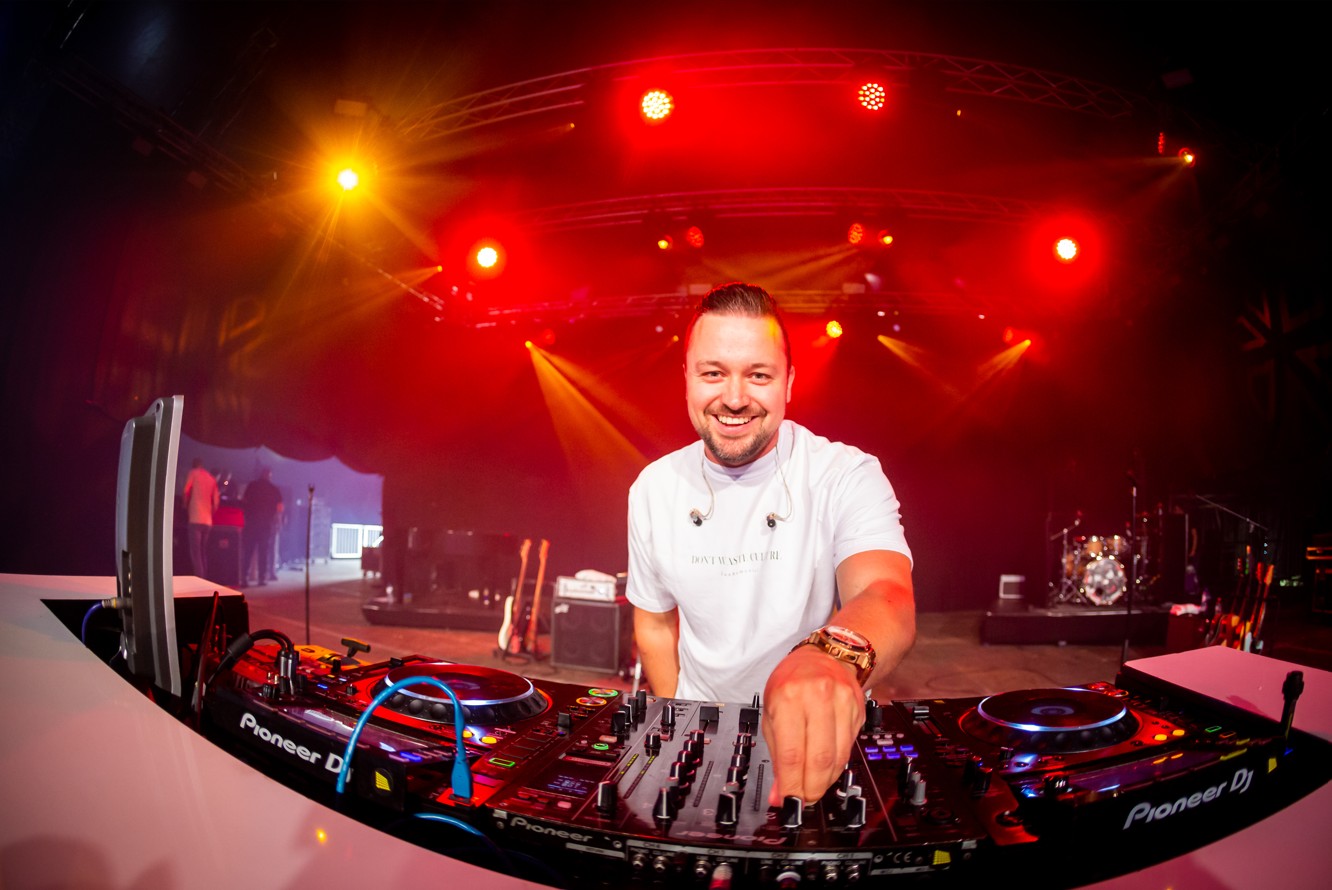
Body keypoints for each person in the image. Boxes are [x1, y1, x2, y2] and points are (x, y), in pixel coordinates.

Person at [627, 282, 916, 809]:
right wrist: (682, 720)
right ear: (687, 378)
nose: (735, 398)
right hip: (701, 735)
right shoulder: (653, 488)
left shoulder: (845, 473)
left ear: (789, 383)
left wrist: (829, 658)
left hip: (813, 735)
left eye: (758, 375)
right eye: (713, 373)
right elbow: (653, 622)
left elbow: (885, 591)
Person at [241, 468, 284, 586]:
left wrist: (245, 517)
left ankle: (244, 577)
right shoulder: (274, 489)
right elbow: (279, 507)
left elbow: (244, 502)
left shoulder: (252, 486)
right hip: (266, 525)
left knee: (248, 551)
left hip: (251, 523)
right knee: (263, 552)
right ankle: (261, 578)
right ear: (270, 476)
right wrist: (278, 522)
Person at [181, 458, 220, 578]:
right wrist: (210, 513)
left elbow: (186, 491)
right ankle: (204, 577)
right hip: (207, 521)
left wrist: (185, 506)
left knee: (196, 553)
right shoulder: (211, 478)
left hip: (195, 518)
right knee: (203, 552)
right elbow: (216, 502)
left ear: (194, 465)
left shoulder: (193, 473)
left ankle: (199, 579)